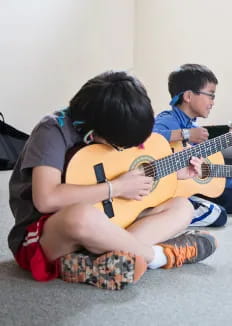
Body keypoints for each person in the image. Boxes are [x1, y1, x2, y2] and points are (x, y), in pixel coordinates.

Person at [8, 71, 217, 291]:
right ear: (95, 131)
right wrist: (116, 187)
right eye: (120, 145)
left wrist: (173, 173)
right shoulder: (52, 130)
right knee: (81, 216)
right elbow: (46, 199)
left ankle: (99, 260)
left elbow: (121, 168)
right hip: (46, 236)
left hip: (107, 222)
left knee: (182, 207)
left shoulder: (117, 123)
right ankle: (159, 256)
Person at [153, 63, 232, 226]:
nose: (213, 102)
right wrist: (185, 134)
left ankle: (197, 203)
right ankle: (177, 214)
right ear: (188, 96)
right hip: (166, 191)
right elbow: (147, 139)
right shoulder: (168, 119)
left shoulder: (198, 130)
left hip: (191, 187)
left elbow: (209, 171)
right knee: (219, 214)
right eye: (211, 95)